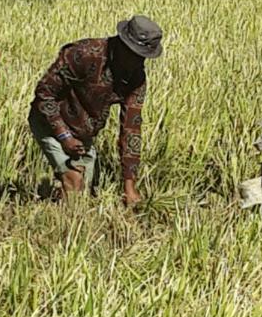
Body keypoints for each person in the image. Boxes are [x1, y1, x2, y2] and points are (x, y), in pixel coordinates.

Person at [29, 15, 163, 206]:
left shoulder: (136, 78)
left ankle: (51, 201)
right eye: (135, 55)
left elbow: (131, 129)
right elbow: (44, 93)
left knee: (89, 195)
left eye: (143, 56)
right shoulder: (84, 54)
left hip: (84, 134)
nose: (139, 62)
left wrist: (129, 186)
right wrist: (64, 136)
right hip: (50, 122)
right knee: (74, 184)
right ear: (123, 45)